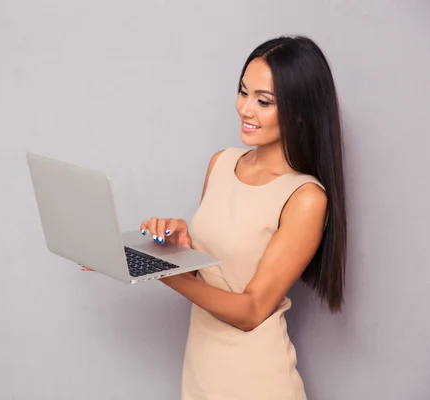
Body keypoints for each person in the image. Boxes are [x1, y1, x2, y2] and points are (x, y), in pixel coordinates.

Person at [84, 35, 347, 400]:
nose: (245, 109)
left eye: (264, 101)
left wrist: (156, 269)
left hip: (256, 381)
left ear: (301, 112)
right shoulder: (221, 163)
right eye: (243, 92)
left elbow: (251, 310)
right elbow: (213, 280)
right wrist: (177, 251)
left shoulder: (304, 197)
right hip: (201, 374)